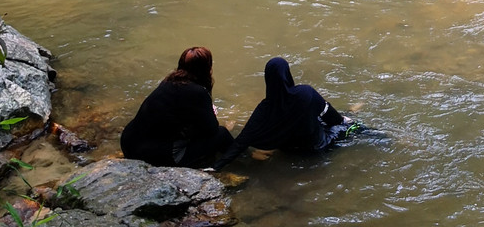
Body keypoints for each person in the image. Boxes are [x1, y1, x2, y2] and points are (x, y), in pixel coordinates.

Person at [211, 57, 352, 171]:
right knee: (349, 125)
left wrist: (216, 166)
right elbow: (333, 119)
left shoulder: (265, 108)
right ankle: (355, 115)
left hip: (290, 151)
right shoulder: (305, 94)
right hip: (318, 147)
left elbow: (242, 140)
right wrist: (346, 119)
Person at [120, 47, 233, 168]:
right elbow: (212, 129)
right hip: (154, 156)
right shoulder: (197, 92)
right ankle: (246, 161)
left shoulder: (168, 81)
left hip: (129, 145)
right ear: (207, 69)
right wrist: (211, 114)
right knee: (222, 134)